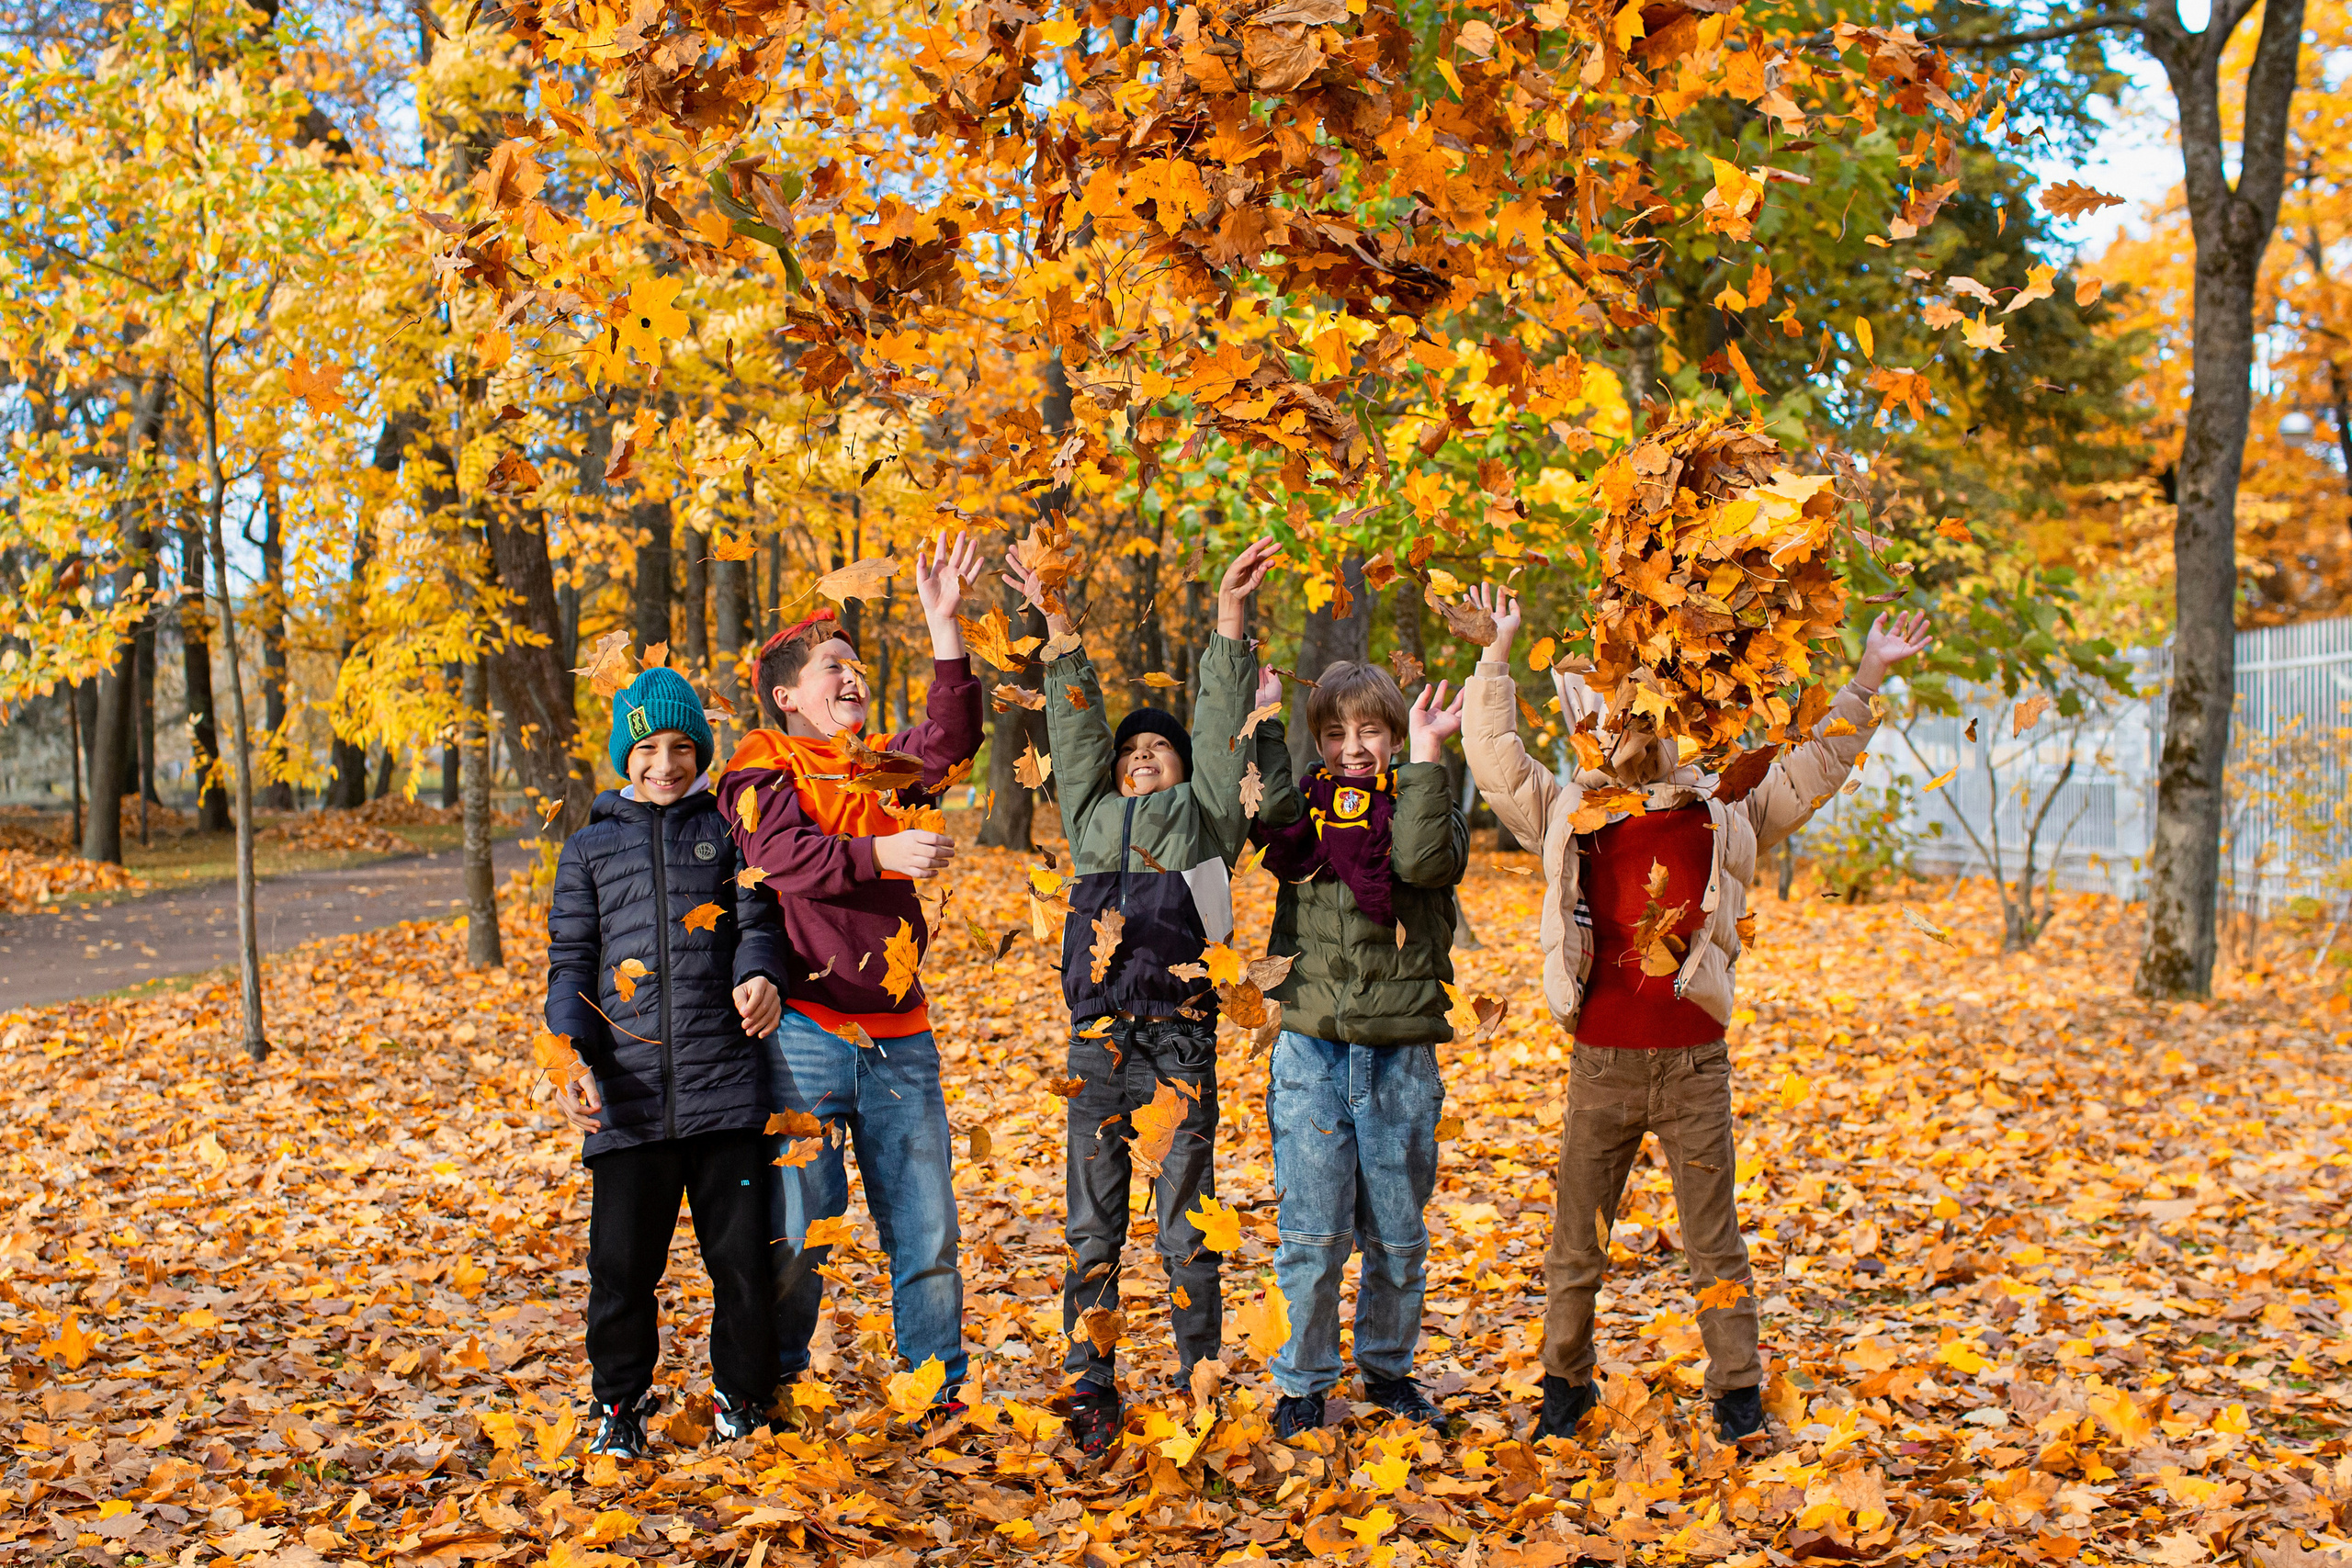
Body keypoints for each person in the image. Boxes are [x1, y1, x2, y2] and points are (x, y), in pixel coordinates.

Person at [1457, 584, 1933, 1444]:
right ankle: (1563, 1396)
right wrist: (1496, 656)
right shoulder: (1573, 811)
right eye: (1609, 712)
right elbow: (1495, 760)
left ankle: (1737, 1399)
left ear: (1682, 717)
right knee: (1576, 1246)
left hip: (1693, 1068)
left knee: (1716, 1246)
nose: (1628, 726)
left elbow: (1814, 769)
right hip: (1601, 1063)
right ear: (1588, 720)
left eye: (1647, 710)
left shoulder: (1725, 809)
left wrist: (1864, 677)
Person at [1002, 538, 1287, 1459]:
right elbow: (1077, 731)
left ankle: (1196, 1372)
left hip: (1178, 1044)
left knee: (1181, 1230)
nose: (1142, 759)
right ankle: (1091, 1383)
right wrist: (1059, 630)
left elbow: (1214, 731)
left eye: (1157, 749)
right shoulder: (1089, 821)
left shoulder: (1204, 817)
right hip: (1098, 1047)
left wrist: (1230, 626)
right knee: (1092, 1226)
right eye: (1132, 753)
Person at [717, 533, 985, 1420]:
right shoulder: (762, 760)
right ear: (789, 693)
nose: (852, 678)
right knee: (799, 1228)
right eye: (833, 666)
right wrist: (881, 849)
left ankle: (937, 1388)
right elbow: (783, 855)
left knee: (929, 1230)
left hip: (901, 1035)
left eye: (859, 665)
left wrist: (945, 628)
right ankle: (780, 1380)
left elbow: (951, 736)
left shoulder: (881, 767)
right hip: (805, 1032)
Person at [547, 665, 788, 1460]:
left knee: (742, 1262)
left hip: (725, 1087)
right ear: (625, 754)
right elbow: (570, 963)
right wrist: (573, 1056)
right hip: (629, 1094)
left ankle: (741, 1397)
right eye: (648, 747)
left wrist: (760, 975)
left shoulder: (726, 831)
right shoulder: (588, 848)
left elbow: (757, 919)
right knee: (621, 1267)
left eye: (682, 746)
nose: (665, 763)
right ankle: (619, 1404)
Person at [1251, 659, 1470, 1437]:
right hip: (1312, 1047)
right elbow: (1266, 809)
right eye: (1336, 732)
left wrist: (1424, 753)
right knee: (1311, 1234)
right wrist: (1268, 724)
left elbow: (1417, 863)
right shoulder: (1305, 815)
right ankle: (1303, 1383)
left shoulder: (1429, 803)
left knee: (1398, 1234)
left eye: (1369, 729)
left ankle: (1387, 1370)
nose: (1352, 746)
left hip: (1399, 1050)